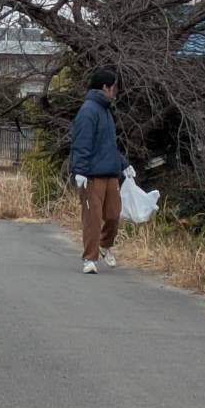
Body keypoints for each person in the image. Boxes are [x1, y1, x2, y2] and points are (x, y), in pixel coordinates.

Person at [69, 68, 133, 275]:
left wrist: (123, 164)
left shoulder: (105, 110)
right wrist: (79, 171)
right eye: (115, 87)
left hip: (110, 173)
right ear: (106, 87)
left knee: (113, 215)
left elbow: (108, 145)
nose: (116, 91)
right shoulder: (89, 111)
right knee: (93, 218)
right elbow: (81, 142)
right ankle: (90, 258)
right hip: (92, 175)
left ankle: (105, 245)